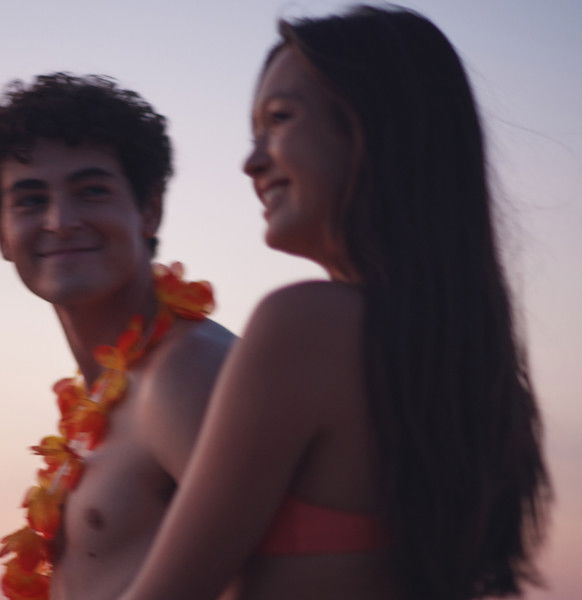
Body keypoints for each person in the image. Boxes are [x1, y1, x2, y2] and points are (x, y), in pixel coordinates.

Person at [119, 6, 551, 600]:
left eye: (279, 119)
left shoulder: (307, 324)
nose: (251, 162)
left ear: (372, 129)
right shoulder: (478, 369)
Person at [0, 73, 235, 600]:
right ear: (3, 235)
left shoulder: (187, 373)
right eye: (30, 200)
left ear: (149, 210)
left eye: (91, 192)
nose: (61, 221)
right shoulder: (107, 396)